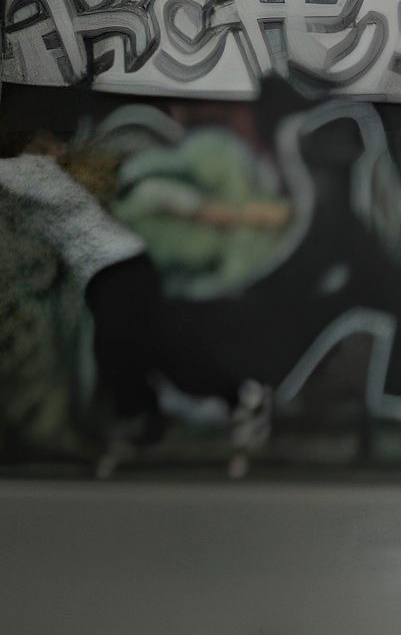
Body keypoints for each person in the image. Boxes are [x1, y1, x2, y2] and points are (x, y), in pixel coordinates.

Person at [0, 129, 270, 475]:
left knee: (120, 350)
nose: (57, 154)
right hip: (113, 274)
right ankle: (204, 405)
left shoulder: (35, 171)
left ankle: (154, 419)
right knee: (153, 351)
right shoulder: (42, 186)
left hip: (120, 270)